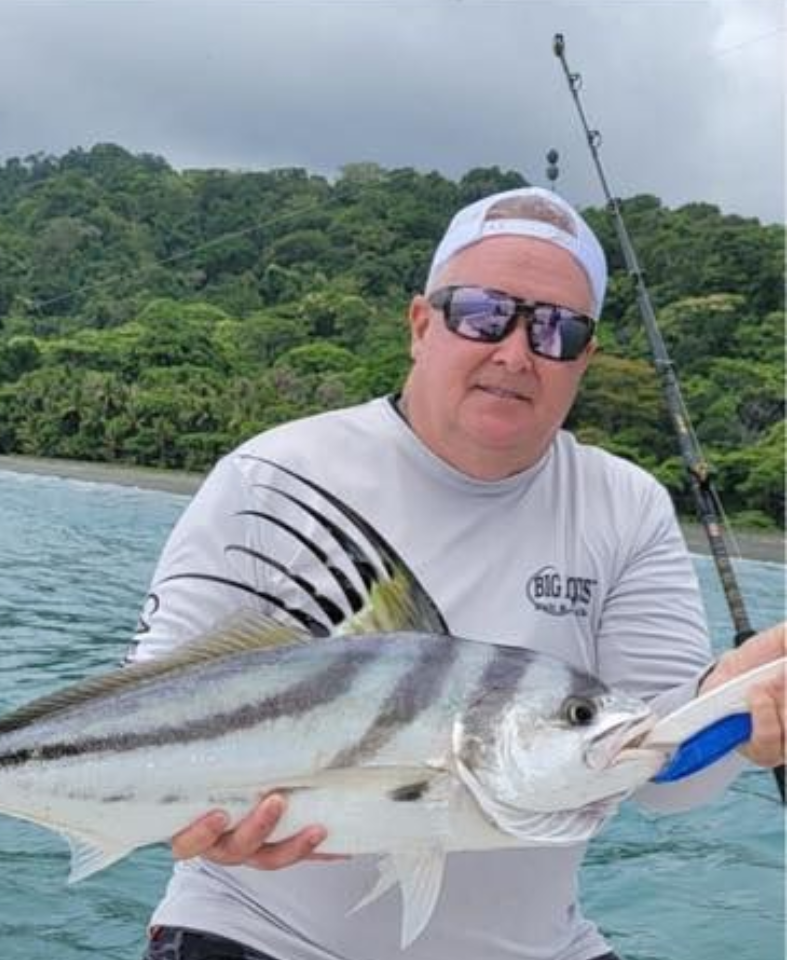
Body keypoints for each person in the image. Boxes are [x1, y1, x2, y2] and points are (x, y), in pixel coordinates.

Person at [127, 186, 786, 960]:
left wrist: (734, 708)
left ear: (584, 358)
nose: (514, 351)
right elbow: (147, 718)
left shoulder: (626, 505)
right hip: (254, 935)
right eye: (481, 312)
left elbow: (669, 780)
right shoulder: (275, 475)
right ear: (419, 324)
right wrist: (180, 818)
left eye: (556, 329)